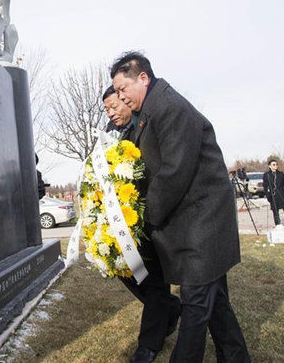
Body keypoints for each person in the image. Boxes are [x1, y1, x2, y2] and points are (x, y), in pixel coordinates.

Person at [111, 51, 250, 363]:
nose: (120, 97)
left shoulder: (169, 107)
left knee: (196, 306)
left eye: (122, 89)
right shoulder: (151, 110)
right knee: (214, 302)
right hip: (192, 221)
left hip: (203, 221)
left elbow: (174, 171)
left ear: (143, 77)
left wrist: (145, 217)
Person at [103, 86, 181, 363]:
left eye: (115, 105)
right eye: (107, 110)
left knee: (154, 282)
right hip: (125, 219)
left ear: (128, 101)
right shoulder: (111, 136)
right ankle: (170, 309)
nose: (111, 113)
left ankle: (148, 345)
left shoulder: (146, 126)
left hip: (151, 216)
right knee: (130, 274)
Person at [262, 159, 284, 227]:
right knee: (275, 210)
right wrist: (267, 195)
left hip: (281, 193)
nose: (275, 166)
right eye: (274, 165)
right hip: (273, 194)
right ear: (270, 166)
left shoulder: (280, 174)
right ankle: (278, 224)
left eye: (276, 164)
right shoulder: (266, 175)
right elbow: (265, 186)